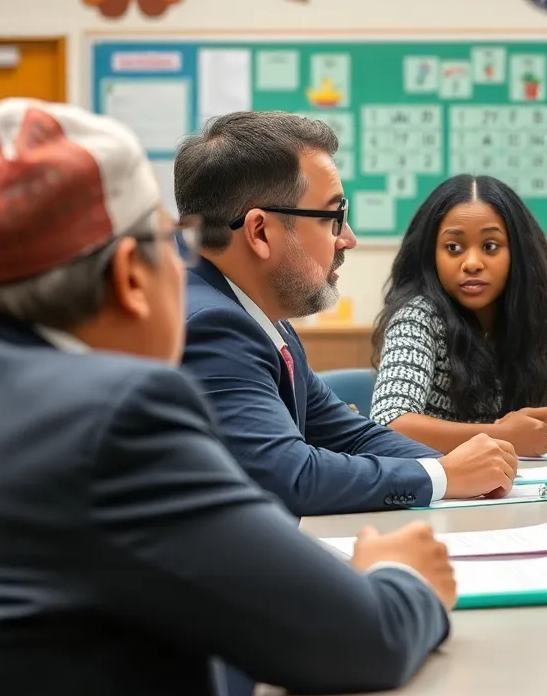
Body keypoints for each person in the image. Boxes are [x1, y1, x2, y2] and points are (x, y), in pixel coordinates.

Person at [0, 98, 455, 696]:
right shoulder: (114, 415)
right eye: (173, 241)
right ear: (132, 275)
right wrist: (401, 573)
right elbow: (359, 637)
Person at [174, 113, 518, 518]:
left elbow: (349, 435)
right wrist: (441, 476)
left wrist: (472, 466)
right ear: (261, 232)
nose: (348, 238)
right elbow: (291, 476)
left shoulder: (255, 314)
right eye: (332, 217)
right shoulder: (212, 326)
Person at [369, 174, 547, 455]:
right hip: (445, 492)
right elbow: (389, 424)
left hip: (526, 490)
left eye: (490, 246)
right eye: (453, 248)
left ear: (518, 253)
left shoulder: (541, 319)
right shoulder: (418, 318)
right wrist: (504, 436)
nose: (473, 263)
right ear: (431, 255)